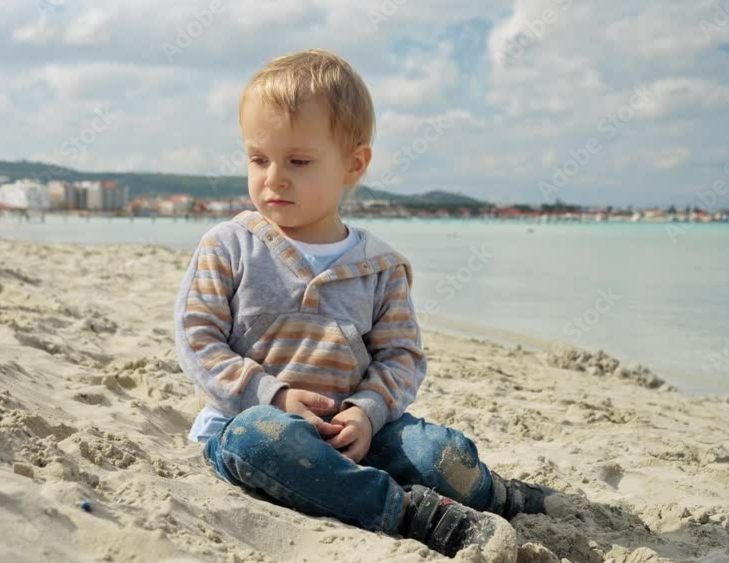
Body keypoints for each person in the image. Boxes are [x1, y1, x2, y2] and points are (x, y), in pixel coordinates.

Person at [174, 49, 561, 558]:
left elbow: (401, 356)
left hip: (357, 433)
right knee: (260, 443)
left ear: (354, 164)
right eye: (258, 159)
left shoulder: (380, 268)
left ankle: (497, 496)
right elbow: (198, 339)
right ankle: (405, 513)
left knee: (437, 451)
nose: (273, 178)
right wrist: (272, 396)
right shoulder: (228, 246)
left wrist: (367, 412)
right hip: (252, 423)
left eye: (298, 161)